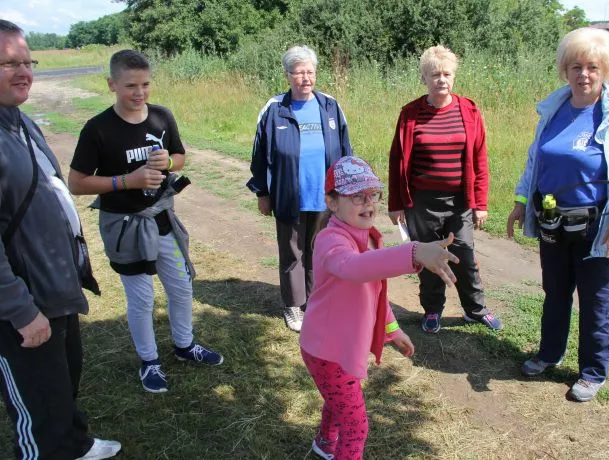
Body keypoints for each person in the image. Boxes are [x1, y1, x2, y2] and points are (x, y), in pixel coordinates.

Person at [506, 27, 609, 402]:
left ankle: (592, 372)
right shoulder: (553, 111)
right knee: (555, 293)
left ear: (605, 70)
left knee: (596, 302)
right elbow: (535, 162)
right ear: (565, 70)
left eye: (592, 67)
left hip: (598, 227)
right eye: (576, 66)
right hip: (553, 222)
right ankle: (549, 354)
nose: (583, 74)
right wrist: (521, 201)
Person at [68, 50, 223, 394]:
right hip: (125, 226)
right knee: (141, 298)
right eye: (130, 86)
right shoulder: (97, 129)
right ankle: (149, 360)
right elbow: (76, 183)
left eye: (145, 84)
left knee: (181, 286)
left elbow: (179, 157)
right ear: (112, 84)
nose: (139, 93)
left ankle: (184, 345)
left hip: (162, 218)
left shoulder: (162, 117)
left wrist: (168, 161)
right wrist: (127, 181)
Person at [0, 20, 121, 459]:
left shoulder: (20, 121)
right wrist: (20, 310)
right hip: (22, 302)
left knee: (63, 380)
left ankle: (75, 443)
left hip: (54, 287)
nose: (24, 72)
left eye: (27, 61)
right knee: (38, 402)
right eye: (9, 63)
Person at [300, 156, 459, 459]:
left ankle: (324, 442)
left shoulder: (370, 237)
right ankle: (330, 443)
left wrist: (393, 330)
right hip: (326, 351)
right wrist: (413, 251)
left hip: (342, 347)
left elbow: (375, 292)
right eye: (357, 196)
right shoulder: (330, 240)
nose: (368, 203)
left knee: (338, 402)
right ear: (332, 203)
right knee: (356, 427)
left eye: (373, 194)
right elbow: (353, 267)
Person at [387, 45, 502, 334]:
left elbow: (480, 158)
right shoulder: (410, 114)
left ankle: (475, 310)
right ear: (424, 78)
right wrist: (395, 203)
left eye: (447, 74)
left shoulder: (469, 110)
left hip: (460, 201)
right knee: (429, 258)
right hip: (421, 203)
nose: (441, 79)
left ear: (454, 76)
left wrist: (480, 203)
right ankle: (432, 310)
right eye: (435, 74)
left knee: (464, 254)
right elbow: (396, 161)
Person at [247, 45, 353, 332]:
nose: (306, 78)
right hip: (288, 195)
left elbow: (345, 151)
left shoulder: (330, 106)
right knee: (293, 252)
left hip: (326, 197)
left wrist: (347, 190)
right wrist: (262, 193)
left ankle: (316, 300)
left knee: (321, 250)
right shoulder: (274, 109)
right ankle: (293, 305)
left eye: (310, 72)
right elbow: (259, 155)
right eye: (299, 72)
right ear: (287, 75)